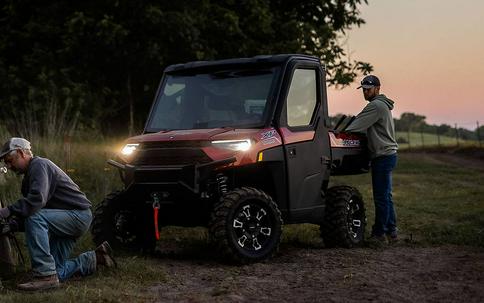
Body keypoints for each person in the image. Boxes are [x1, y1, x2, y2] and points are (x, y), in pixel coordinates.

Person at [0, 137, 116, 291]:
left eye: (10, 160)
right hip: (67, 219)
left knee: (35, 218)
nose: (8, 165)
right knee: (57, 271)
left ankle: (44, 276)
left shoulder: (39, 165)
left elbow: (36, 202)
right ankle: (97, 257)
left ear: (21, 153)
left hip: (77, 216)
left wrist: (7, 211)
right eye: (5, 163)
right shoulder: (29, 177)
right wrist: (13, 225)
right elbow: (33, 210)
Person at [345, 75, 398, 244]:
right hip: (388, 154)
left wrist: (341, 132)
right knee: (386, 196)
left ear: (377, 88)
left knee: (381, 197)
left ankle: (379, 234)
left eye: (368, 89)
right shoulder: (383, 105)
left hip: (382, 156)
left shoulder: (375, 106)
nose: (365, 92)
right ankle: (392, 231)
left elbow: (354, 126)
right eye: (364, 89)